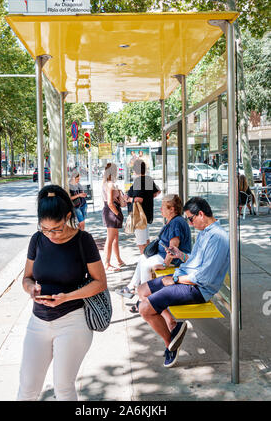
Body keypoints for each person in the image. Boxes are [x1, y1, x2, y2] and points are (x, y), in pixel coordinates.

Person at [17, 184, 106, 401]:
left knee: (63, 387)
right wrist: (31, 288)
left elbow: (100, 282)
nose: (51, 235)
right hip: (38, 321)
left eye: (55, 229)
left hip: (72, 321)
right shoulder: (37, 240)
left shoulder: (83, 241)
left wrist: (67, 297)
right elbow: (26, 277)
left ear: (68, 216)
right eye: (45, 229)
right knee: (27, 386)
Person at [138, 197, 230, 369]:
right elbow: (194, 260)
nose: (190, 223)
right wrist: (180, 255)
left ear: (201, 214)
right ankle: (173, 325)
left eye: (190, 218)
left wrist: (172, 280)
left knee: (144, 308)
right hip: (185, 277)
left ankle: (170, 344)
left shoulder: (217, 238)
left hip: (197, 289)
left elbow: (204, 278)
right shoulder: (205, 232)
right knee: (142, 290)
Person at [116, 194, 191, 313]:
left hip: (174, 259)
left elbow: (173, 248)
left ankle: (146, 301)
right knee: (142, 258)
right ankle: (134, 287)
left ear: (172, 209)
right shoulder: (173, 220)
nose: (160, 209)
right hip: (162, 255)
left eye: (163, 207)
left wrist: (165, 265)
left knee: (146, 265)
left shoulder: (176, 222)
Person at [126, 159, 161, 254]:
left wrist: (128, 199)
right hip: (147, 214)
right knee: (146, 241)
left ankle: (145, 262)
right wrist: (149, 197)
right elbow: (157, 191)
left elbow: (139, 199)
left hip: (139, 215)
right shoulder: (148, 179)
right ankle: (149, 261)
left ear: (135, 170)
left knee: (141, 243)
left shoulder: (138, 181)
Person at [102, 162, 126, 271]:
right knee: (111, 239)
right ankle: (107, 263)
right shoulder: (110, 184)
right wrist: (118, 214)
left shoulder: (108, 183)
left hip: (111, 211)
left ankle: (119, 260)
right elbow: (110, 203)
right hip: (112, 211)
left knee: (115, 238)